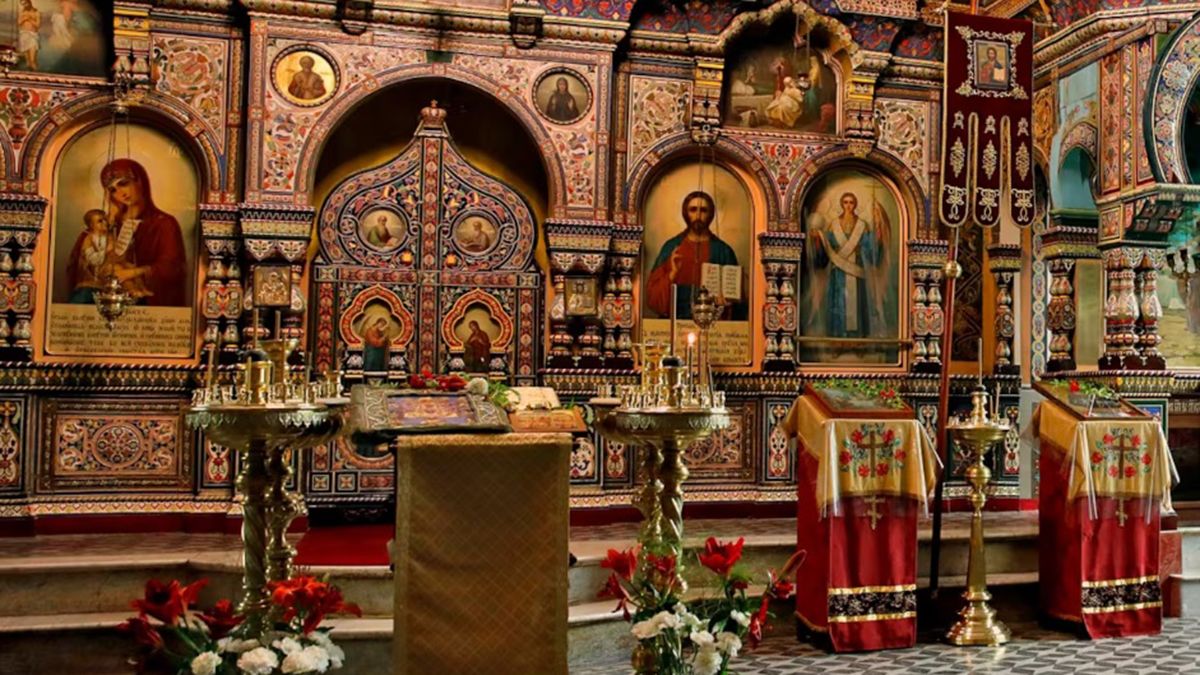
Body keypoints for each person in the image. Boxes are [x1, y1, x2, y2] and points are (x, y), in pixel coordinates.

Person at [66, 158, 187, 307]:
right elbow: (79, 264)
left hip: (146, 306)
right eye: (113, 190)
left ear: (140, 181)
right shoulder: (107, 224)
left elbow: (172, 268)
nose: (121, 193)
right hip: (103, 298)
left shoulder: (164, 223)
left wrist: (132, 273)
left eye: (123, 183)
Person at [645, 191, 746, 320]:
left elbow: (737, 302)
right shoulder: (672, 247)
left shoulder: (723, 251)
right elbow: (653, 298)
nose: (698, 215)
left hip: (713, 326)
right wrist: (672, 274)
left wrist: (727, 303)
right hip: (675, 324)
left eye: (703, 210)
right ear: (685, 213)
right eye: (693, 210)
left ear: (711, 214)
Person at [805, 192, 889, 338]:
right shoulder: (833, 224)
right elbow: (827, 246)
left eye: (851, 202)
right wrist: (817, 239)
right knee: (839, 303)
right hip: (838, 272)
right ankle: (838, 337)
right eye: (845, 202)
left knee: (856, 304)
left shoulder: (863, 225)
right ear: (841, 204)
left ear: (855, 204)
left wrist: (878, 236)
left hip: (856, 269)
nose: (848, 206)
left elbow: (871, 249)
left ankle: (857, 338)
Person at [67, 209, 152, 303]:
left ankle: (141, 289)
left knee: (131, 266)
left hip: (112, 262)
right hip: (98, 269)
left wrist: (125, 246)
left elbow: (119, 252)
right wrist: (106, 251)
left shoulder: (110, 236)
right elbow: (92, 260)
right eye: (100, 221)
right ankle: (132, 290)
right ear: (91, 225)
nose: (105, 223)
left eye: (105, 220)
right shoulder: (89, 238)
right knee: (118, 269)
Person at [18, 0, 39, 71]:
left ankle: (36, 74)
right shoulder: (22, 12)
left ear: (29, 2)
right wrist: (24, 18)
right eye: (22, 4)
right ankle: (28, 76)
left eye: (25, 3)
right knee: (27, 61)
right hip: (24, 35)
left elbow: (38, 25)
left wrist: (29, 19)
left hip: (32, 35)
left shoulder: (36, 12)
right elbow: (19, 23)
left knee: (32, 60)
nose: (24, 5)